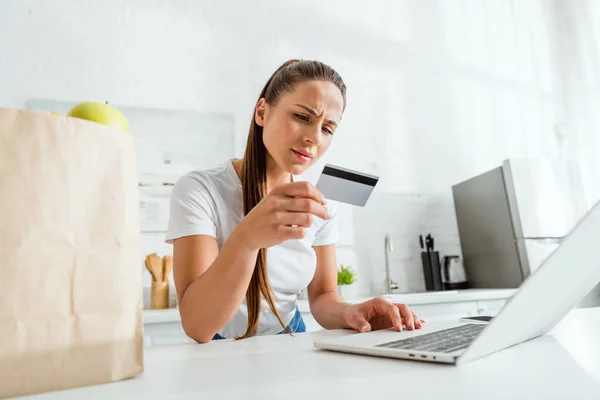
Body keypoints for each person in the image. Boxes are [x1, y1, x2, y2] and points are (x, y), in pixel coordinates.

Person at [165, 59, 424, 342]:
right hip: (220, 349)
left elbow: (324, 298)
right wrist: (246, 239)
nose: (314, 137)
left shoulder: (321, 204)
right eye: (302, 117)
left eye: (327, 128)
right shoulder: (200, 190)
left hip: (289, 340)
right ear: (262, 112)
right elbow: (198, 326)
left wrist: (351, 312)